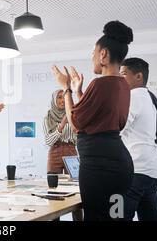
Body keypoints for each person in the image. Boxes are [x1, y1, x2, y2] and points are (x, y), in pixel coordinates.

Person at [52, 21, 134, 221]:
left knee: (97, 217)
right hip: (118, 165)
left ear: (103, 54)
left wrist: (66, 88)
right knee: (115, 217)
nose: (93, 58)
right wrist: (79, 91)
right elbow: (96, 115)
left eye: (93, 54)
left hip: (100, 167)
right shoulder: (122, 84)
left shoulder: (100, 84)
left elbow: (76, 122)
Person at [120, 57, 157, 221]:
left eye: (123, 74)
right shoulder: (149, 99)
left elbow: (117, 128)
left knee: (116, 216)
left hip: (136, 171)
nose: (120, 78)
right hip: (151, 171)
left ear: (138, 76)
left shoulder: (133, 97)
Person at [43, 89, 77, 174]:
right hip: (54, 151)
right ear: (54, 100)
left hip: (71, 150)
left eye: (65, 97)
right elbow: (48, 142)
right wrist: (61, 125)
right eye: (59, 97)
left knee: (73, 183)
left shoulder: (73, 115)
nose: (62, 100)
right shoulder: (48, 117)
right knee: (53, 183)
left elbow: (78, 137)